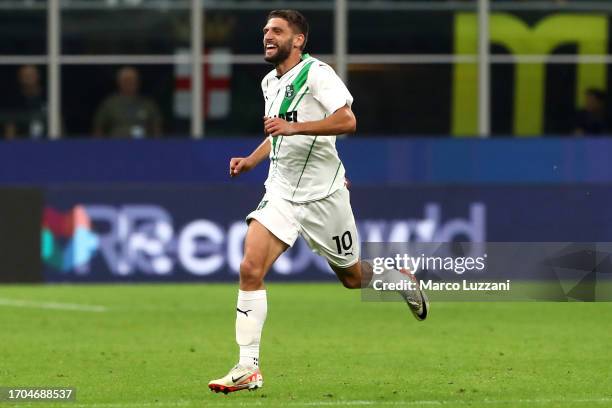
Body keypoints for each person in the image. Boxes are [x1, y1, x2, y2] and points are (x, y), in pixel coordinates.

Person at [208, 9, 429, 394]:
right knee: (250, 268)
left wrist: (296, 127)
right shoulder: (268, 82)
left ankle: (399, 280)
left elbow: (347, 121)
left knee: (352, 277)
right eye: (265, 31)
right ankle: (248, 367)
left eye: (277, 31)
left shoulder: (317, 74)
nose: (267, 36)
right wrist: (251, 160)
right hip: (280, 194)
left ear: (298, 40)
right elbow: (277, 132)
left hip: (324, 196)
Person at [93, 66, 162, 138]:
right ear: (119, 82)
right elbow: (98, 128)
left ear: (138, 82)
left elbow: (157, 129)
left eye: (132, 80)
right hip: (115, 146)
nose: (129, 83)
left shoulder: (148, 104)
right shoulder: (109, 104)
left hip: (143, 146)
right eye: (126, 80)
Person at [3, 65, 47, 140]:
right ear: (19, 78)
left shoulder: (49, 96)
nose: (28, 78)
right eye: (25, 75)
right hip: (23, 144)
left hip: (48, 142)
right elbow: (10, 131)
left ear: (38, 75)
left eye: (31, 75)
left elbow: (58, 123)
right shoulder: (14, 101)